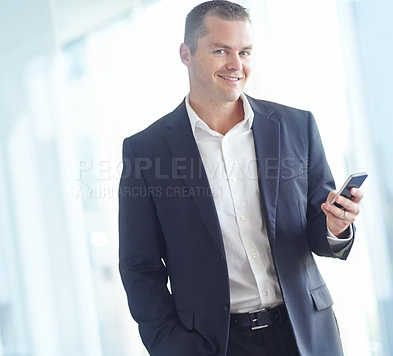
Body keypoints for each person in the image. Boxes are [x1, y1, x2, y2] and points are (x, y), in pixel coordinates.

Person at [118, 1, 363, 355]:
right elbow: (139, 266)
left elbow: (317, 227)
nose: (237, 65)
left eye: (245, 52)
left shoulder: (297, 127)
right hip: (214, 343)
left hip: (306, 335)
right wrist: (172, 346)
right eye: (221, 51)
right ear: (186, 54)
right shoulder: (147, 151)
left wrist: (336, 226)